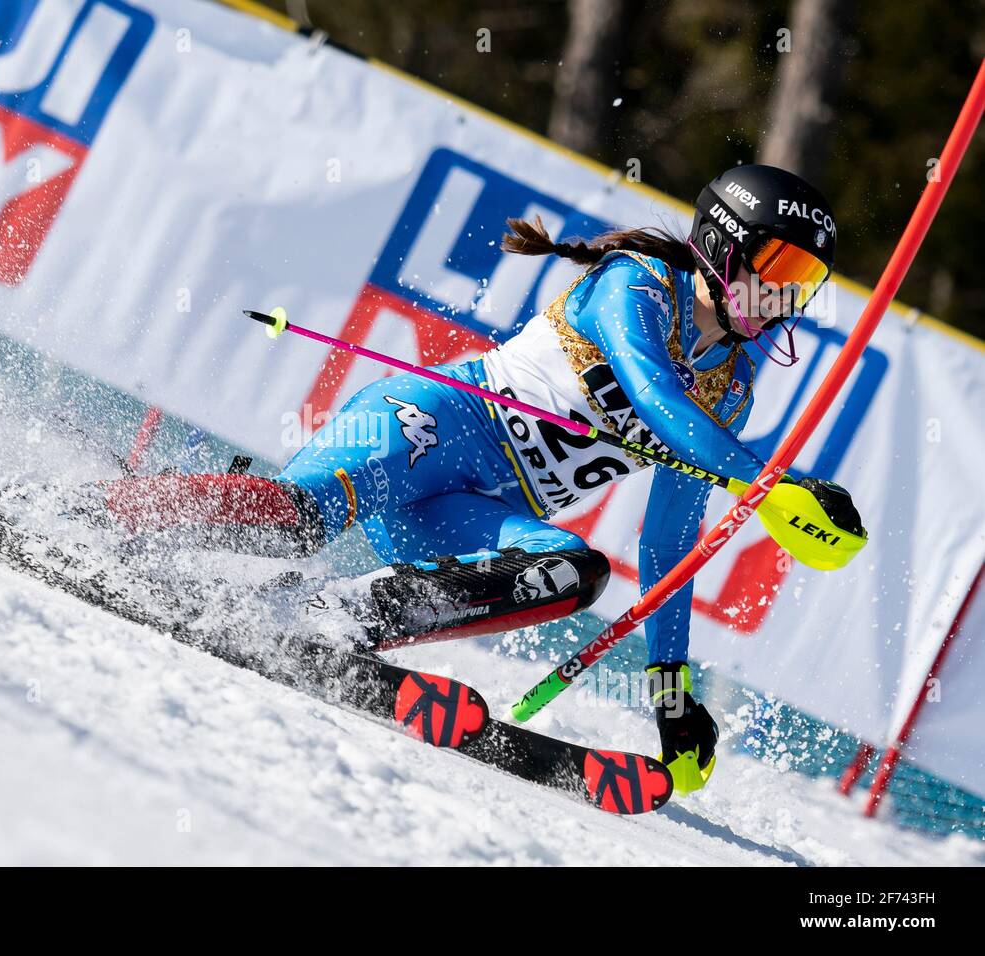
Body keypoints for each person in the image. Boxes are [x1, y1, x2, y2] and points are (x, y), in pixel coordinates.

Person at [101, 164, 861, 794]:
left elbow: (668, 542)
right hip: (427, 428)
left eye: (808, 281)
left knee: (573, 570)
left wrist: (669, 692)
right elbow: (655, 398)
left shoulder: (729, 384)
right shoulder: (636, 284)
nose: (788, 297)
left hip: (474, 511)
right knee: (295, 520)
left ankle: (325, 617)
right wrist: (771, 482)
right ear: (723, 247)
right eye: (781, 269)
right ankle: (98, 508)